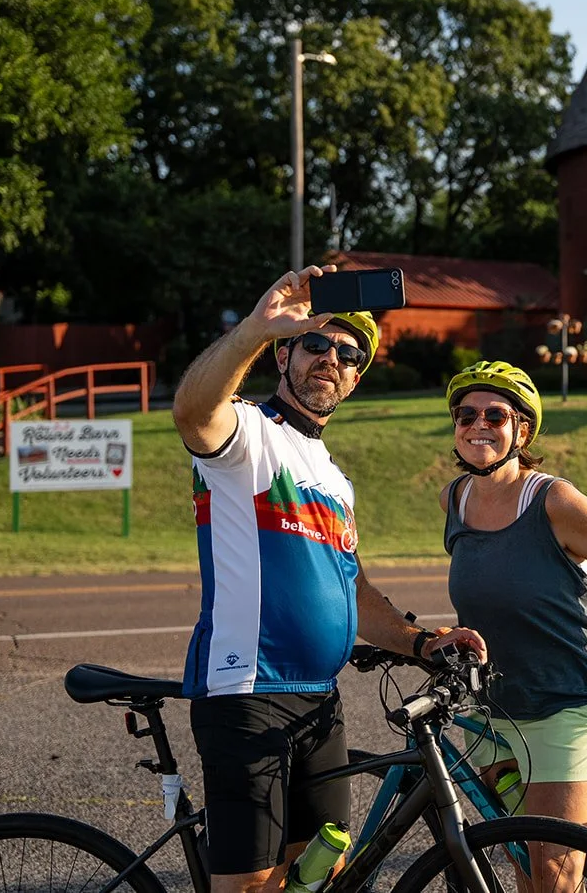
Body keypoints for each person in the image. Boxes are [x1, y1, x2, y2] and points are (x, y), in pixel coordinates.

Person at [174, 265, 485, 893]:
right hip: (247, 693)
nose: (331, 359)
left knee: (322, 875)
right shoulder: (248, 435)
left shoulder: (333, 477)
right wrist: (253, 331)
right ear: (284, 353)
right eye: (316, 343)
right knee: (252, 886)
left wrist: (424, 643)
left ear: (357, 376)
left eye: (349, 354)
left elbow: (356, 589)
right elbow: (190, 411)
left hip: (320, 700)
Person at [437, 360, 587, 891]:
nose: (478, 424)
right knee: (525, 865)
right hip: (498, 713)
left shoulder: (552, 500)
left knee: (554, 874)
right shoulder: (455, 498)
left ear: (521, 429)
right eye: (465, 414)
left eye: (495, 415)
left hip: (568, 706)